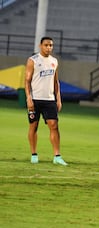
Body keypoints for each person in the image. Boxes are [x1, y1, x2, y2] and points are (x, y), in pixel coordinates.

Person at [24, 36, 67, 166]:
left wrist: (58, 99)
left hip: (49, 100)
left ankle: (57, 156)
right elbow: (27, 81)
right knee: (33, 126)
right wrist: (29, 98)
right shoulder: (33, 60)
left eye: (51, 45)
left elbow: (56, 82)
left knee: (54, 126)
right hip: (35, 99)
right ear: (40, 46)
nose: (49, 48)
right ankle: (34, 154)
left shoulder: (54, 61)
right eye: (46, 45)